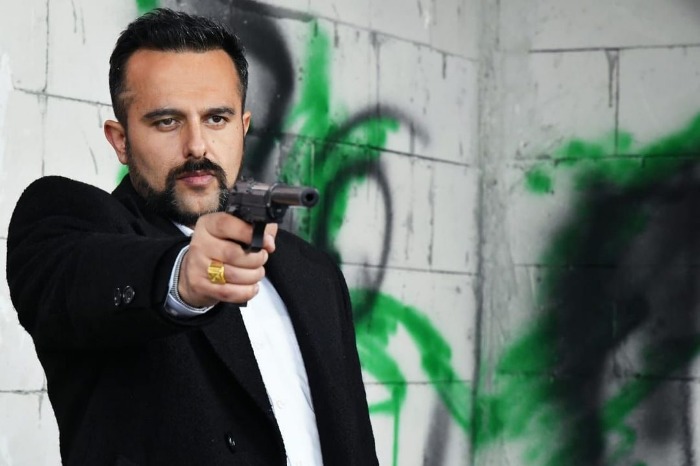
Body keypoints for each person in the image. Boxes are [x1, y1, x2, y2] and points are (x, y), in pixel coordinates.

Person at [6, 8, 377, 466]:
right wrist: (184, 276)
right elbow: (86, 277)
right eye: (167, 121)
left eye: (217, 119)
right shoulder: (72, 223)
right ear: (120, 140)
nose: (197, 146)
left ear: (243, 128)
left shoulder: (314, 273)